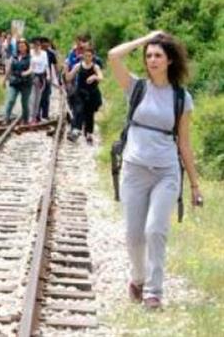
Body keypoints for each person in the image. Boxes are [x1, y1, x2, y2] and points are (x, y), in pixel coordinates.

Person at [108, 31, 203, 310]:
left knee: (155, 230)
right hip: (134, 170)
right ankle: (138, 279)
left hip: (166, 173)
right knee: (134, 235)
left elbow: (184, 143)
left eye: (158, 55)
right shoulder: (135, 87)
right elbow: (113, 55)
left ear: (169, 60)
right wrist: (147, 38)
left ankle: (153, 292)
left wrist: (195, 185)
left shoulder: (181, 98)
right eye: (148, 55)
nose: (152, 60)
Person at [66, 44, 103, 144]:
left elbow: (101, 77)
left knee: (89, 114)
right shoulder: (78, 66)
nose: (87, 58)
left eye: (89, 56)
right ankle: (76, 131)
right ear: (83, 56)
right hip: (80, 92)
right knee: (78, 110)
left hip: (92, 94)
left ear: (92, 56)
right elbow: (69, 78)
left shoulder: (95, 67)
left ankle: (89, 134)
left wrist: (94, 77)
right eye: (86, 55)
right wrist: (66, 69)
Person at [4, 40, 32, 124]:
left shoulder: (30, 57)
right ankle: (6, 118)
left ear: (26, 47)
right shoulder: (14, 57)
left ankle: (25, 120)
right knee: (11, 100)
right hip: (14, 82)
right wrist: (4, 80)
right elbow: (9, 69)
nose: (21, 48)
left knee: (24, 103)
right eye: (19, 46)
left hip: (25, 83)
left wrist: (25, 73)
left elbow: (32, 68)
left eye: (23, 46)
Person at [28, 39, 51, 124]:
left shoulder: (44, 54)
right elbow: (29, 64)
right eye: (35, 46)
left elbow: (46, 65)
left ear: (40, 46)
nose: (36, 47)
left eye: (38, 46)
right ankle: (30, 116)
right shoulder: (31, 52)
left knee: (38, 98)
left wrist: (48, 75)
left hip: (41, 77)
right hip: (32, 76)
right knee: (32, 97)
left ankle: (35, 117)